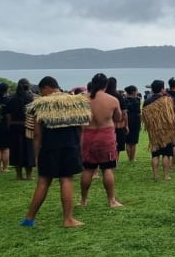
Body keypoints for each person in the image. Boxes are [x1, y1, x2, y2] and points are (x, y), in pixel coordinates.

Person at [21, 76, 91, 227]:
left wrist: (36, 155)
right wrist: (78, 147)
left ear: (47, 87)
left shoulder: (40, 104)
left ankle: (29, 218)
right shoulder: (76, 101)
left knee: (43, 182)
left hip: (49, 147)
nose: (41, 95)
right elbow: (82, 128)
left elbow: (37, 135)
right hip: (70, 146)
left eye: (41, 91)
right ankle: (68, 219)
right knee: (66, 179)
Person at [80, 73, 124, 208]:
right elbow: (118, 118)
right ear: (106, 85)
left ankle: (83, 200)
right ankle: (111, 200)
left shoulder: (82, 99)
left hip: (87, 134)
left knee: (88, 168)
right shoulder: (112, 100)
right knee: (107, 168)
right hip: (106, 136)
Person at [6, 79, 35, 180]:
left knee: (16, 150)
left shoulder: (11, 98)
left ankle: (18, 174)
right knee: (29, 149)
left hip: (14, 126)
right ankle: (29, 175)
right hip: (28, 126)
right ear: (28, 86)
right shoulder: (31, 98)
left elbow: (8, 116)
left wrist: (9, 127)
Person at [122, 85, 142, 162]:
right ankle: (132, 158)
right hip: (135, 121)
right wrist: (140, 122)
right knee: (133, 141)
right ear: (133, 91)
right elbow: (139, 113)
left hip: (126, 121)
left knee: (127, 141)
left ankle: (129, 157)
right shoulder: (137, 100)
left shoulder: (124, 100)